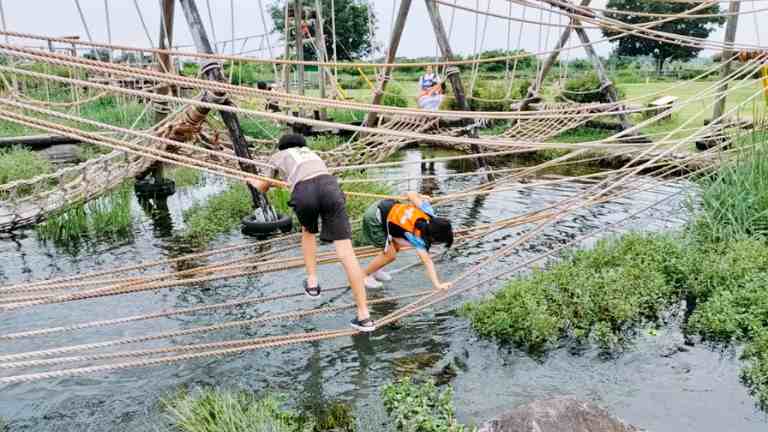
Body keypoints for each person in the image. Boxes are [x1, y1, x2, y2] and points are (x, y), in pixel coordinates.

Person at [250, 134, 375, 332]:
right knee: (346, 253)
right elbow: (316, 175)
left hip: (304, 190)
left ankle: (313, 283)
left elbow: (263, 187)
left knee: (308, 232)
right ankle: (364, 316)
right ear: (302, 145)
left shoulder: (278, 156)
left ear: (281, 147)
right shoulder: (312, 154)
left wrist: (250, 180)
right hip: (330, 187)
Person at [360, 191, 454, 291]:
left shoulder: (428, 212)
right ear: (434, 238)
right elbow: (427, 262)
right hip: (374, 218)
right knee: (390, 255)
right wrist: (438, 285)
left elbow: (410, 194)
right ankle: (364, 275)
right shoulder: (418, 238)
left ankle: (375, 270)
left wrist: (420, 196)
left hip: (382, 205)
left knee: (395, 248)